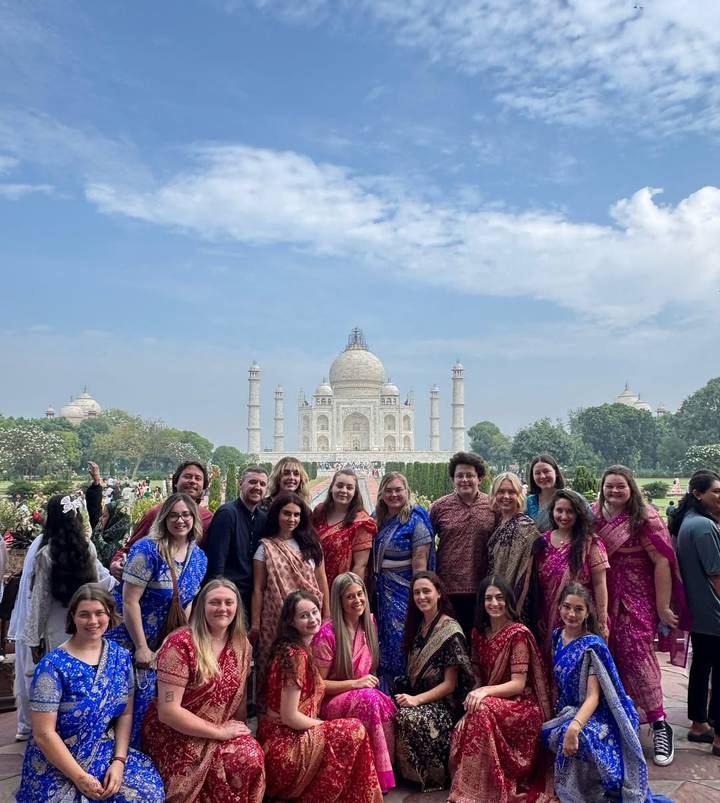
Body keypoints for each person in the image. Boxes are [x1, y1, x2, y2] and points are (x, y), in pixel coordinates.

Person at [16, 584, 164, 802]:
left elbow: (125, 714)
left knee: (149, 792)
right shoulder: (52, 667)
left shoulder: (120, 658)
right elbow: (43, 734)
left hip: (104, 750)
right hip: (58, 761)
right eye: (84, 614)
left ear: (110, 615)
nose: (93, 621)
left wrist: (119, 761)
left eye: (99, 613)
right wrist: (80, 778)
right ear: (73, 617)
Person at [593, 464, 690, 766]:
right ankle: (621, 721)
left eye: (620, 486)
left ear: (631, 488)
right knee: (606, 655)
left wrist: (663, 607)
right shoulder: (594, 514)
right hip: (601, 592)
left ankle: (660, 722)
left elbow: (662, 561)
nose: (614, 491)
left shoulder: (644, 516)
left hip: (636, 596)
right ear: (603, 487)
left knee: (637, 653)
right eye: (610, 486)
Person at [541, 583, 672, 802]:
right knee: (548, 732)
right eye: (567, 607)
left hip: (596, 713)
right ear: (560, 607)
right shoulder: (556, 637)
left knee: (579, 737)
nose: (571, 614)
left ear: (587, 612)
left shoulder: (592, 645)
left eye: (578, 609)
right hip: (567, 709)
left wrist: (575, 725)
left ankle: (597, 789)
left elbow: (594, 696)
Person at [142, 578, 265, 802]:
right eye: (215, 602)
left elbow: (238, 698)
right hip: (175, 731)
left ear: (237, 606)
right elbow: (168, 712)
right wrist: (219, 732)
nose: (222, 608)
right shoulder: (180, 645)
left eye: (229, 602)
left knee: (250, 755)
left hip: (220, 727)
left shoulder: (241, 645)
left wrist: (241, 730)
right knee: (225, 764)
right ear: (201, 606)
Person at [257, 590, 384, 802]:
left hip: (290, 734)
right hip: (284, 743)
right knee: (353, 731)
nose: (313, 619)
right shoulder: (294, 656)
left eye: (315, 612)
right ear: (291, 622)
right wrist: (321, 725)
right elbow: (289, 717)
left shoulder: (301, 649)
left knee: (349, 731)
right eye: (304, 615)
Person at [106, 492, 207, 746]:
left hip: (162, 641)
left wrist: (178, 642)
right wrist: (141, 647)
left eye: (186, 515)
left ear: (194, 519)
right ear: (163, 519)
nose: (180, 520)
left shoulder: (199, 558)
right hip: (127, 637)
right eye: (173, 515)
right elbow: (129, 600)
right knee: (120, 699)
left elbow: (187, 603)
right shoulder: (147, 551)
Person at [449, 575, 551, 803]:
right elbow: (477, 677)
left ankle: (475, 793)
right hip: (492, 700)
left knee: (482, 710)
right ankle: (476, 787)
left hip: (520, 705)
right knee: (468, 720)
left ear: (509, 601)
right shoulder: (477, 634)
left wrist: (484, 692)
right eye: (488, 599)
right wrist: (472, 701)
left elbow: (518, 683)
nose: (494, 603)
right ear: (482, 603)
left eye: (499, 598)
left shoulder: (518, 634)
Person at [313, 572, 397, 793]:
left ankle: (382, 773)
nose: (357, 600)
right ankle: (375, 776)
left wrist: (361, 685)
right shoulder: (327, 634)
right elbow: (317, 685)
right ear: (339, 601)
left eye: (360, 594)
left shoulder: (369, 622)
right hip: (331, 701)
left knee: (383, 701)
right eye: (350, 596)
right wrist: (355, 683)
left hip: (361, 695)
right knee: (370, 699)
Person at [394, 571, 474, 791]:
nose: (421, 597)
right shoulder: (417, 626)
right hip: (417, 696)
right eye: (417, 593)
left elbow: (450, 685)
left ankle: (435, 777)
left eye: (426, 591)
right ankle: (403, 775)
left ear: (439, 593)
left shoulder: (450, 630)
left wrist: (416, 700)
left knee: (407, 717)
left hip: (443, 705)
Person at [23, 494, 116, 659]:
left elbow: (40, 599)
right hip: (85, 621)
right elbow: (99, 584)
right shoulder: (88, 546)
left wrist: (33, 639)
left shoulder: (47, 553)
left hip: (56, 625)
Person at [251, 492, 329, 683]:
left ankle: (306, 708)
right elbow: (258, 589)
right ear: (277, 514)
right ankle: (270, 711)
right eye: (286, 513)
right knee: (274, 665)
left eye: (296, 514)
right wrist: (255, 624)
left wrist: (326, 614)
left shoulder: (311, 545)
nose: (291, 519)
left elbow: (321, 580)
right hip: (275, 617)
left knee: (307, 667)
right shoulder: (265, 547)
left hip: (310, 616)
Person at [670, 470, 720, 756]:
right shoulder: (703, 526)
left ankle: (699, 723)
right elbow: (717, 575)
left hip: (700, 612)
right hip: (713, 612)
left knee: (702, 668)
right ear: (698, 494)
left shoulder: (688, 522)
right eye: (716, 491)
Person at [374, 472, 435, 689]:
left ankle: (407, 686)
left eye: (398, 490)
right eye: (388, 490)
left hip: (405, 589)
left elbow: (420, 563)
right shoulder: (379, 518)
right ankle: (387, 688)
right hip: (382, 590)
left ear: (407, 492)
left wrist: (417, 596)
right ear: (381, 494)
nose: (394, 495)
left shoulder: (416, 519)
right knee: (385, 638)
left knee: (403, 637)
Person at [534, 489, 609, 654]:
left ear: (578, 514)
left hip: (578, 616)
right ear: (552, 511)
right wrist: (539, 614)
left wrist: (602, 621)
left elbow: (599, 583)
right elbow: (537, 584)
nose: (563, 516)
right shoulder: (542, 542)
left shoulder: (590, 543)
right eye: (559, 510)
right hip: (548, 615)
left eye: (570, 511)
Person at [430, 452, 496, 637]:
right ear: (453, 479)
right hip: (447, 588)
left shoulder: (492, 506)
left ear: (480, 478)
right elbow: (425, 544)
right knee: (451, 641)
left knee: (478, 641)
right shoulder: (440, 507)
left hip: (482, 587)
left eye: (470, 475)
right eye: (459, 476)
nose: (464, 480)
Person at [110, 461, 212, 579]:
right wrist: (115, 563)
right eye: (187, 476)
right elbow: (130, 547)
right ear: (175, 482)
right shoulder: (156, 513)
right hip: (153, 585)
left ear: (204, 487)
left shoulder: (208, 518)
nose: (192, 481)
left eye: (198, 478)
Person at [204, 465, 268, 619]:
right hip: (229, 595)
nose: (257, 487)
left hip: (252, 596)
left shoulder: (262, 517)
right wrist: (219, 597)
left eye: (262, 484)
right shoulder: (227, 514)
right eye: (252, 482)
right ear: (240, 484)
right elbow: (217, 561)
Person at [9, 531, 48, 741]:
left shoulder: (39, 543)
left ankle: (28, 724)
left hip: (37, 622)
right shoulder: (48, 547)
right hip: (49, 623)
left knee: (31, 674)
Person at [312, 467, 376, 590]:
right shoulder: (319, 513)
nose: (344, 491)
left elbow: (360, 566)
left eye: (349, 488)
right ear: (332, 488)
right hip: (314, 583)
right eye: (339, 486)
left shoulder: (362, 522)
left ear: (355, 492)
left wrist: (350, 594)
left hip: (341, 588)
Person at [486, 472, 539, 609]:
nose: (506, 496)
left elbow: (525, 575)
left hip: (514, 602)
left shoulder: (525, 526)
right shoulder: (499, 522)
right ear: (494, 494)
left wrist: (514, 609)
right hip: (494, 597)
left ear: (519, 495)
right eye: (501, 491)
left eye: (511, 492)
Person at [91, 497, 133, 568]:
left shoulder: (122, 549)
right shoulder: (98, 534)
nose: (100, 519)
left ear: (114, 520)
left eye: (104, 516)